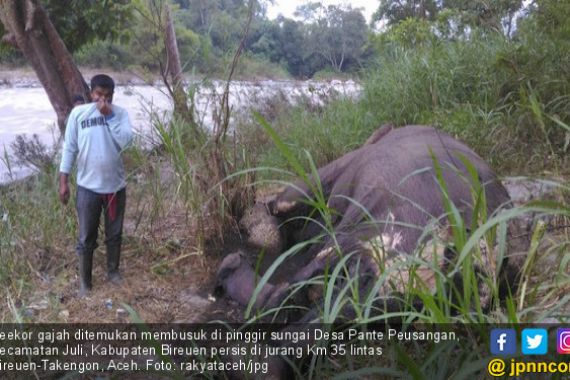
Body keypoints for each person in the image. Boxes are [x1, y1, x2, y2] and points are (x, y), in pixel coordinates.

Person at [59, 74, 133, 297]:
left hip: (115, 187)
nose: (103, 100)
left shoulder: (120, 114)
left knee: (115, 233)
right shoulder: (79, 114)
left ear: (112, 96)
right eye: (99, 95)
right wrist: (63, 181)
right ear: (91, 93)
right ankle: (85, 282)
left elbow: (127, 142)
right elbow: (70, 148)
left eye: (107, 96)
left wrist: (109, 116)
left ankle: (113, 272)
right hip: (87, 187)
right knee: (86, 237)